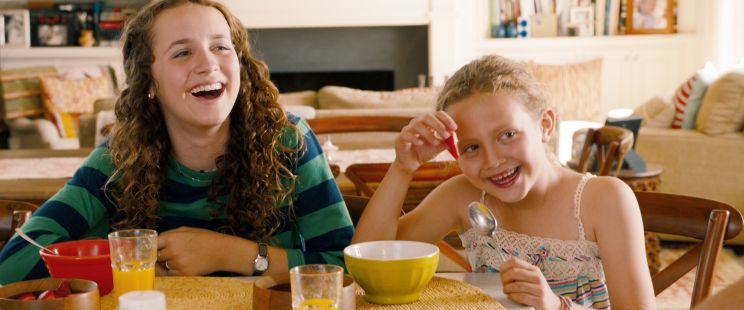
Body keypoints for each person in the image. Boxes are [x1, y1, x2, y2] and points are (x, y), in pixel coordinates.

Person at [0, 0, 352, 284]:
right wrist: (133, 264)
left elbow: (343, 265)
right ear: (149, 83)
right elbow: (13, 262)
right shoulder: (118, 159)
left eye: (220, 47)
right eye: (182, 53)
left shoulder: (288, 140)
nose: (208, 63)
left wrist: (225, 253)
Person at [352, 55, 655, 309]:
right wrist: (404, 167)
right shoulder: (465, 196)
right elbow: (369, 265)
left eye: (507, 135)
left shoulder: (603, 200)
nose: (493, 161)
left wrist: (555, 304)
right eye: (471, 147)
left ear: (544, 125)